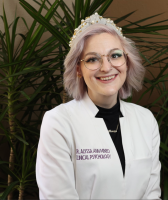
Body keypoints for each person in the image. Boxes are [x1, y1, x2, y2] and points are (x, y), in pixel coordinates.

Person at [36, 13, 161, 199]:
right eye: (93, 59)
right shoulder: (58, 122)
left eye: (115, 56)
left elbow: (151, 194)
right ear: (78, 69)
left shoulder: (145, 120)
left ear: (126, 62)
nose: (106, 67)